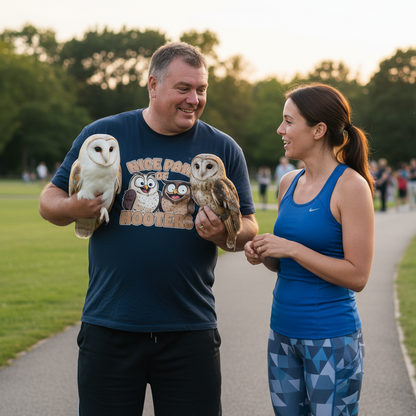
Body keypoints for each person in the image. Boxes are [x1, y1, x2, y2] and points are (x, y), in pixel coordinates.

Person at [39, 42, 258, 416]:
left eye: (201, 89)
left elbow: (249, 226)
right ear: (153, 85)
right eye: (184, 88)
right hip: (111, 324)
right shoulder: (104, 134)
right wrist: (77, 207)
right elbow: (49, 201)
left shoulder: (222, 148)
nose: (194, 99)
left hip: (189, 328)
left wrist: (224, 233)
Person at [244, 83, 374, 416]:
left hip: (330, 339)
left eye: (288, 121)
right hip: (282, 335)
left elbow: (358, 275)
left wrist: (292, 248)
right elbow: (284, 263)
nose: (280, 130)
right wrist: (267, 254)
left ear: (318, 130)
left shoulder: (351, 187)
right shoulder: (288, 183)